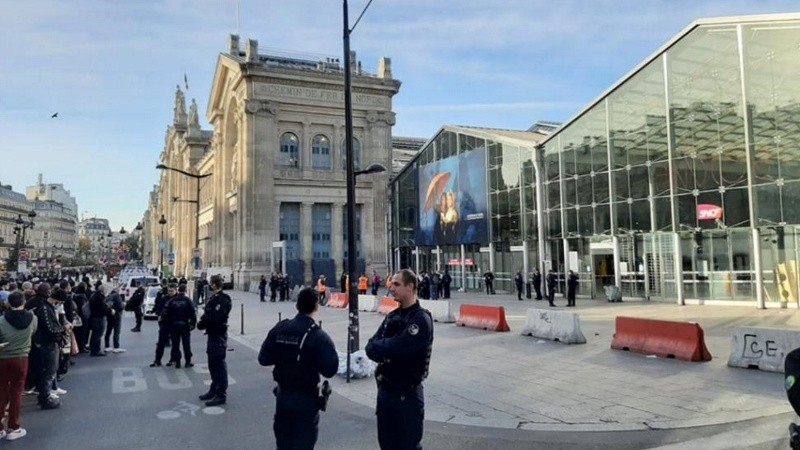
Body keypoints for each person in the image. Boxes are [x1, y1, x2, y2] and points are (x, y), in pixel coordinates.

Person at [258, 287, 338, 449]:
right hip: (306, 400)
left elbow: (264, 358)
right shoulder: (318, 336)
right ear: (316, 307)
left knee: (283, 444)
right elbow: (330, 369)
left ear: (297, 306)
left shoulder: (281, 328)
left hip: (283, 397)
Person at [366, 269, 434, 450]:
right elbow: (370, 347)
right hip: (386, 392)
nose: (391, 287)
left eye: (396, 284)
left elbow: (401, 347)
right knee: (386, 443)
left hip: (407, 395)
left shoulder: (420, 319)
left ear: (410, 287)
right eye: (392, 284)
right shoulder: (392, 316)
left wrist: (385, 346)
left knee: (407, 445)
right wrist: (387, 346)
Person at [0, 291, 38, 440]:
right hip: (22, 357)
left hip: (2, 358)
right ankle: (14, 427)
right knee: (16, 392)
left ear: (8, 303)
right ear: (24, 302)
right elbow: (33, 333)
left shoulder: (1, 320)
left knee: (1, 391)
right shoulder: (33, 318)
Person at [197, 274, 232, 406]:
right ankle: (214, 389)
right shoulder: (215, 297)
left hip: (218, 334)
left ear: (214, 284)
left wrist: (202, 323)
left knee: (218, 365)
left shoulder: (223, 299)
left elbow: (214, 316)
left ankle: (221, 394)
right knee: (212, 364)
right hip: (212, 333)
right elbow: (208, 313)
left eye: (211, 283)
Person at [33, 288, 66, 409]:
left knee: (50, 371)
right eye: (60, 302)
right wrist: (63, 329)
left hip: (48, 343)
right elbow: (50, 328)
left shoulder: (47, 307)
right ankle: (45, 397)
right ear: (57, 300)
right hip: (48, 343)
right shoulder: (45, 309)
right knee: (49, 371)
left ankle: (46, 395)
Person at [163, 284, 196, 368]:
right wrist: (193, 323)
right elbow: (192, 313)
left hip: (174, 325)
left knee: (175, 344)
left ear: (178, 290)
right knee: (186, 344)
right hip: (185, 324)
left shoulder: (172, 300)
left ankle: (177, 362)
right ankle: (188, 361)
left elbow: (166, 313)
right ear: (185, 291)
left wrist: (168, 324)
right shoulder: (187, 300)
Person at [150, 283, 174, 367]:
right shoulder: (164, 298)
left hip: (174, 323)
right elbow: (159, 308)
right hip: (165, 322)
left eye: (172, 291)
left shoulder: (178, 299)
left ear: (176, 290)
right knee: (160, 343)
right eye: (169, 291)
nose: (170, 292)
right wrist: (159, 315)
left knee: (175, 343)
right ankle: (157, 360)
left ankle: (173, 360)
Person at [88, 284, 111, 356]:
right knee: (98, 335)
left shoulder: (94, 296)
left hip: (94, 317)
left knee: (94, 334)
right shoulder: (99, 298)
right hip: (99, 318)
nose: (107, 291)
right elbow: (102, 309)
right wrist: (109, 310)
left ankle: (93, 349)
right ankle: (96, 350)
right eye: (106, 290)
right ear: (103, 291)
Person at [104, 286, 125, 353]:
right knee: (116, 331)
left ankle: (107, 346)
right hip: (116, 315)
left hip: (109, 315)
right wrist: (123, 305)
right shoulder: (117, 296)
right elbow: (120, 306)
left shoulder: (108, 296)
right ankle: (116, 347)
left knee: (108, 331)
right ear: (117, 290)